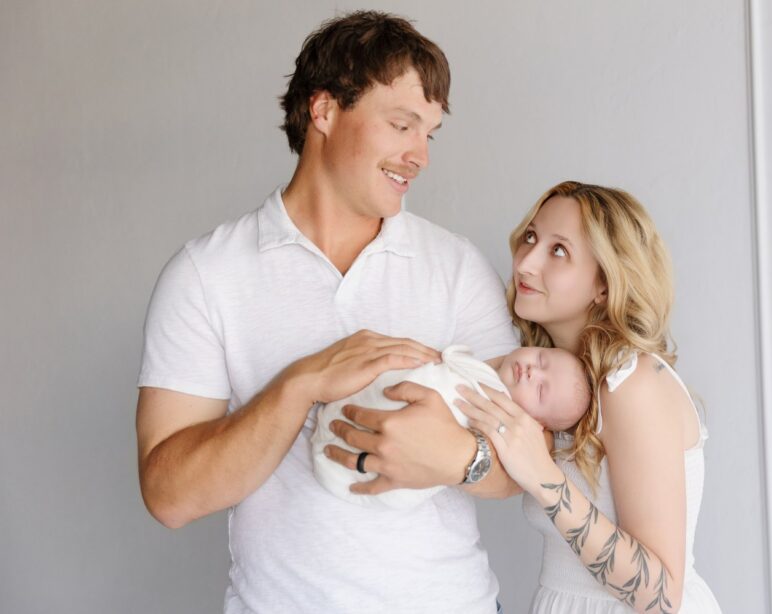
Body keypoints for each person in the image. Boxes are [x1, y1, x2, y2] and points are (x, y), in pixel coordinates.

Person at [135, 11, 522, 613]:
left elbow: (522, 466)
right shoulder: (204, 276)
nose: (418, 154)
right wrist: (300, 385)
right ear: (324, 111)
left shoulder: (455, 267)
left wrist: (455, 457)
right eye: (402, 124)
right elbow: (169, 495)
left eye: (430, 133)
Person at [453, 181, 722, 613]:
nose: (526, 262)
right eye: (531, 237)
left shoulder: (630, 384)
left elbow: (660, 594)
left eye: (558, 251)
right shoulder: (545, 378)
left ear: (604, 283)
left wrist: (541, 475)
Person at [313, 345, 590, 509]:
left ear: (536, 424)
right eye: (541, 359)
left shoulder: (502, 421)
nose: (533, 371)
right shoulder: (476, 365)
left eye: (541, 390)